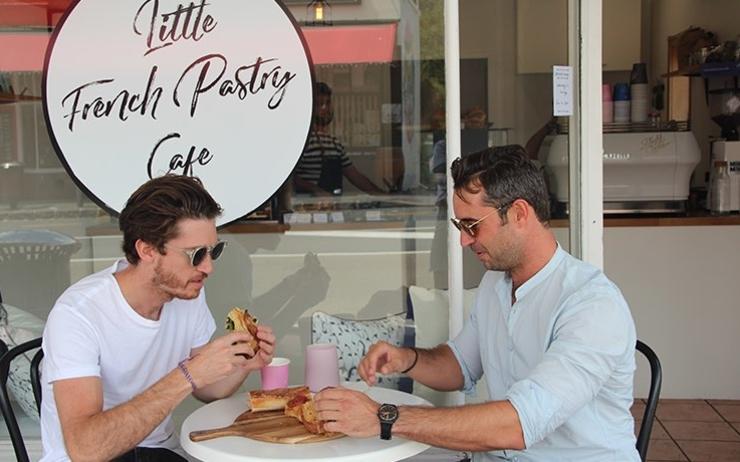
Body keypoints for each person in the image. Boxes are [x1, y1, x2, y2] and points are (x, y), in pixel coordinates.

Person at [315, 145, 640, 461]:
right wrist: (406, 359)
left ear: (519, 214)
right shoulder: (496, 283)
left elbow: (519, 424)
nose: (464, 240)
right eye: (460, 226)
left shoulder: (591, 305)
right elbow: (459, 366)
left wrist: (384, 418)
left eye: (472, 225)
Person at [40, 175, 276, 461]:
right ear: (147, 250)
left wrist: (243, 364)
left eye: (214, 251)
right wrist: (188, 374)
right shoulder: (78, 314)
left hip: (158, 452)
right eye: (196, 254)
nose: (208, 267)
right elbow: (86, 449)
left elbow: (205, 388)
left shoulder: (187, 294)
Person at [293, 81, 384, 196]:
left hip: (332, 204)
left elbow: (354, 175)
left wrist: (382, 195)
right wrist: (314, 189)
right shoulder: (301, 141)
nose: (325, 108)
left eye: (327, 103)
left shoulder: (334, 143)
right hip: (306, 204)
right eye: (319, 104)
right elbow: (289, 177)